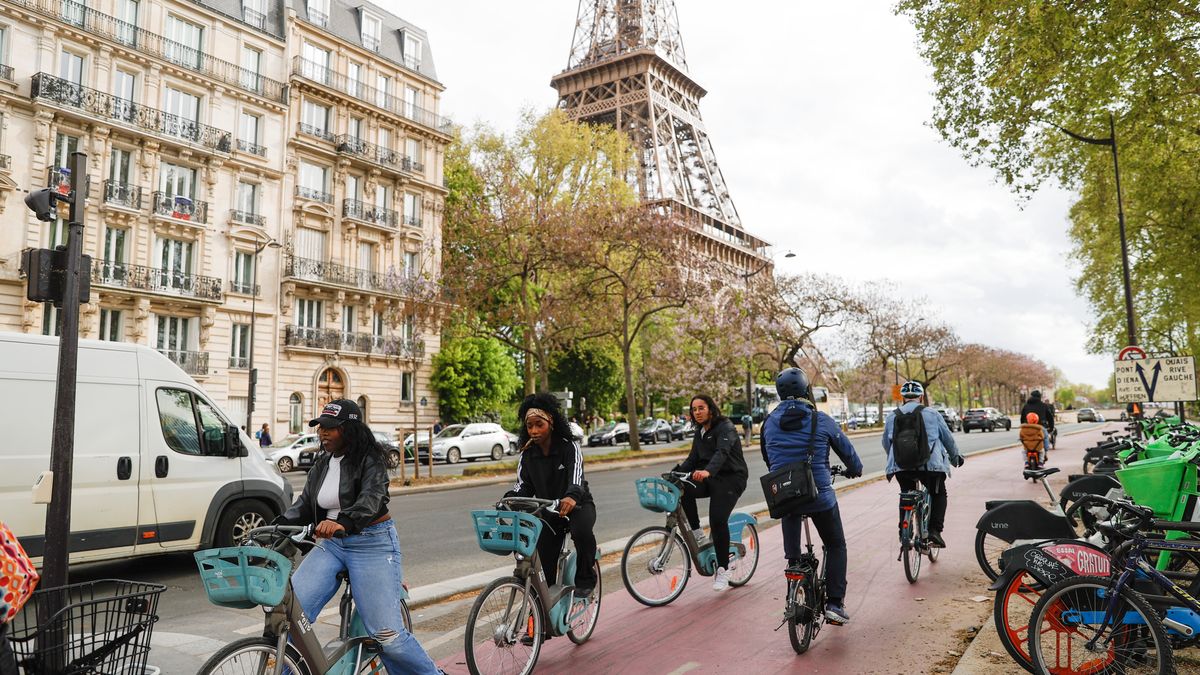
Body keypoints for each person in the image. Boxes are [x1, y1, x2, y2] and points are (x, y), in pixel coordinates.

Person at [277, 399, 442, 675]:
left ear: (350, 429)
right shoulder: (322, 464)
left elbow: (372, 499)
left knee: (388, 637)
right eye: (320, 427)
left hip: (372, 544)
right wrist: (277, 526)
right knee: (289, 617)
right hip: (332, 546)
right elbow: (304, 505)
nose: (323, 433)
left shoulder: (370, 460)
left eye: (331, 428)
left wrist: (343, 522)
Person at [762, 367, 863, 625]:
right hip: (819, 494)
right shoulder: (822, 420)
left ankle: (794, 569)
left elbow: (768, 459)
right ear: (806, 389)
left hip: (784, 496)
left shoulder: (768, 422)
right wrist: (854, 470)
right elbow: (849, 455)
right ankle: (834, 604)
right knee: (835, 544)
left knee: (792, 546)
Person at [504, 393, 598, 601]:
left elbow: (577, 478)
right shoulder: (527, 454)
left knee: (581, 532)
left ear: (551, 421)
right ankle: (540, 622)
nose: (534, 431)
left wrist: (572, 497)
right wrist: (511, 500)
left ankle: (586, 578)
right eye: (530, 426)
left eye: (539, 424)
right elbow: (523, 487)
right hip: (548, 510)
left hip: (577, 506)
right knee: (541, 563)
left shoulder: (569, 446)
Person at [675, 394, 749, 592]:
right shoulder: (700, 432)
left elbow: (722, 452)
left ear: (710, 409)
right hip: (710, 478)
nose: (697, 412)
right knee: (683, 489)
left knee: (717, 520)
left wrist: (708, 470)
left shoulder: (725, 427)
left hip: (732, 478)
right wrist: (676, 473)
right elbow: (692, 459)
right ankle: (699, 534)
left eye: (701, 408)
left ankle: (723, 570)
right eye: (694, 409)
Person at [882, 381, 965, 550]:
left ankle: (904, 532)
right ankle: (935, 531)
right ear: (921, 396)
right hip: (930, 468)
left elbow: (886, 443)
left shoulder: (892, 416)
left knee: (905, 494)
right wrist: (956, 458)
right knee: (939, 494)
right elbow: (947, 438)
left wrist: (897, 460)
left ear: (903, 398)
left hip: (901, 467)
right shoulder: (932, 414)